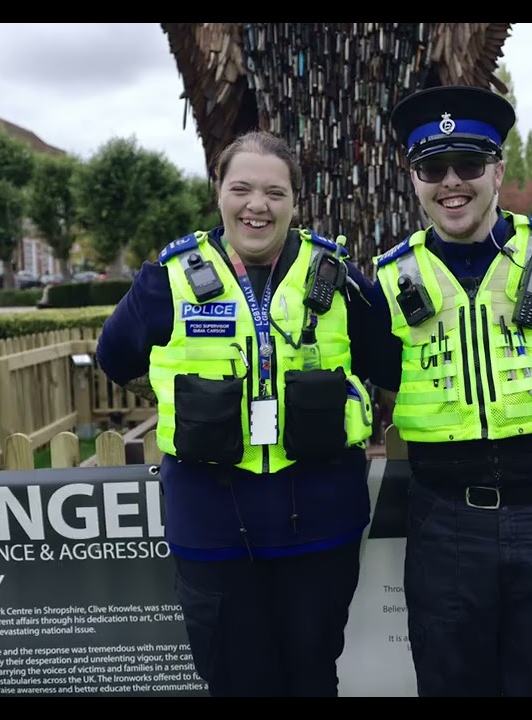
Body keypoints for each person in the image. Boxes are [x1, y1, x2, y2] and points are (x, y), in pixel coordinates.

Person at [95, 130, 380, 698]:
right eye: (242, 188)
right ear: (218, 192)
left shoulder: (337, 277)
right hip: (214, 525)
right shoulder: (169, 279)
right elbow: (114, 357)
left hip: (319, 527)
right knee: (235, 680)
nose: (257, 205)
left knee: (312, 677)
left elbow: (389, 361)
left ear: (296, 201)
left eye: (275, 192)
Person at [366, 85, 532, 697]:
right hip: (447, 522)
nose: (451, 182)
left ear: (497, 171)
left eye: (469, 165)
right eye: (432, 167)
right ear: (414, 178)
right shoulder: (390, 280)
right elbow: (384, 381)